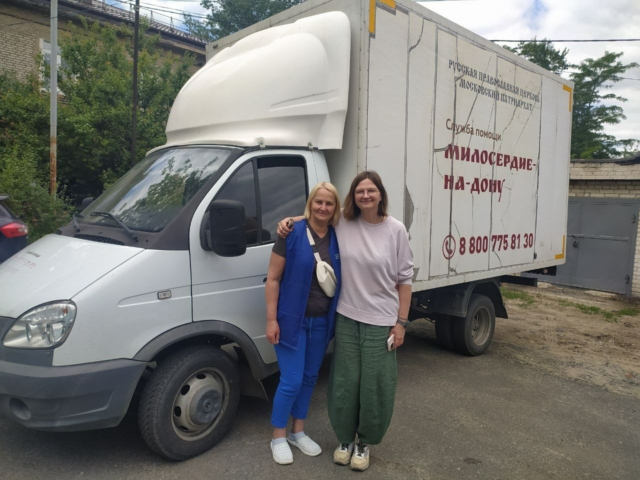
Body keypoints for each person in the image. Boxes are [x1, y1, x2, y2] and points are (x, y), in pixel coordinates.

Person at [277, 171, 413, 471]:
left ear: (381, 194)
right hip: (346, 317)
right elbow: (316, 214)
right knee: (344, 383)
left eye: (371, 190)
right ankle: (345, 439)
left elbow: (405, 279)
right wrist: (289, 221)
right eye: (359, 191)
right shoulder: (344, 222)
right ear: (353, 196)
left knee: (375, 385)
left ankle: (364, 442)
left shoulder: (395, 230)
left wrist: (401, 322)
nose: (365, 195)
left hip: (381, 320)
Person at [265, 182, 342, 465]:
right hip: (290, 322)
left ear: (335, 208)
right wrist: (271, 320)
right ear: (311, 203)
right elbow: (273, 279)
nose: (323, 207)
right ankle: (278, 436)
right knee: (292, 380)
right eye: (318, 202)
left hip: (322, 322)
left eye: (329, 203)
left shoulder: (338, 235)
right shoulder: (290, 233)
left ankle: (298, 432)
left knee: (309, 378)